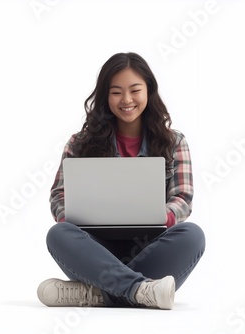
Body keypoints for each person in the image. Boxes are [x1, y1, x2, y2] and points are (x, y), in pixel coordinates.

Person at [37, 52, 205, 310]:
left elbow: (183, 198)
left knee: (193, 235)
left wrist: (159, 215)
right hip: (94, 250)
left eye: (134, 90)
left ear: (149, 91)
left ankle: (98, 294)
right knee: (59, 233)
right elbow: (59, 197)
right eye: (116, 92)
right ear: (105, 96)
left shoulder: (174, 142)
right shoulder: (79, 144)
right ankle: (141, 290)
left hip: (149, 246)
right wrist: (70, 215)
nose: (126, 100)